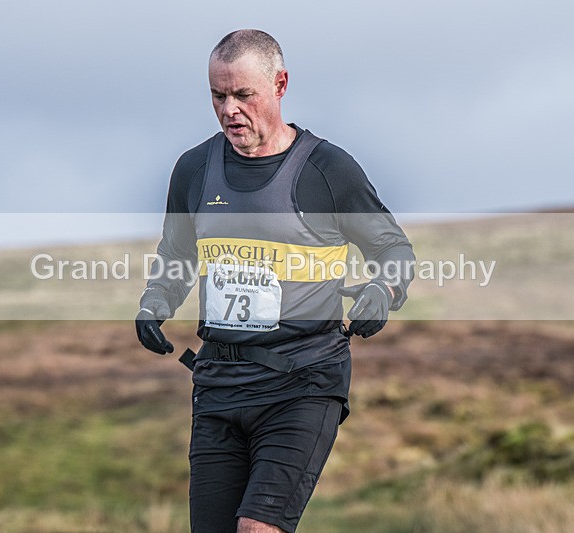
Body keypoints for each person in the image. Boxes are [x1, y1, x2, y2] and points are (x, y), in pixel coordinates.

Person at [136, 29, 415, 533]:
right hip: (218, 387)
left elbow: (393, 250)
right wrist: (155, 301)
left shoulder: (327, 169)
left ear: (280, 84)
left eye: (243, 94)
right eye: (218, 96)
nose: (229, 110)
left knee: (258, 529)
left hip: (302, 382)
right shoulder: (194, 169)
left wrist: (382, 291)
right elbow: (177, 253)